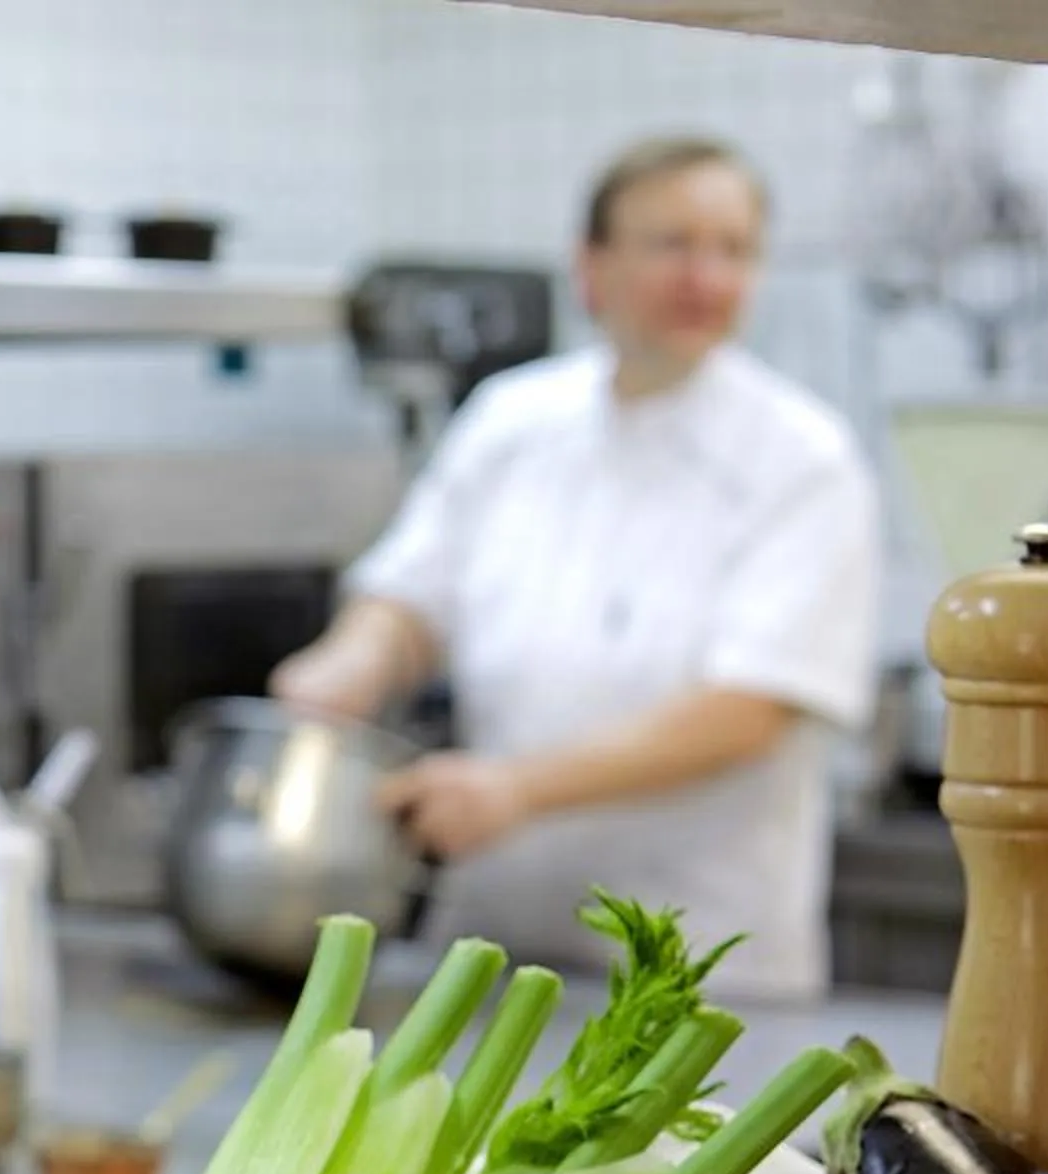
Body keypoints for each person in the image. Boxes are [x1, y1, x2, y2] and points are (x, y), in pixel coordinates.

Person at [272, 135, 882, 1000]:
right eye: (672, 243)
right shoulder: (513, 420)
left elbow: (749, 709)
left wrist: (516, 791)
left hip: (695, 972)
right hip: (495, 950)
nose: (705, 277)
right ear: (590, 266)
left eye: (734, 250)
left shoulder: (803, 461)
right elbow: (410, 596)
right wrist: (353, 662)